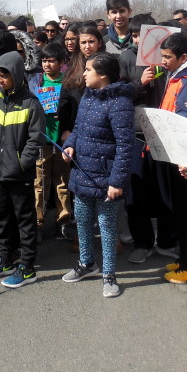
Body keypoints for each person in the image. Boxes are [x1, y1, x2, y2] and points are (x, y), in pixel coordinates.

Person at [139, 33, 187, 284]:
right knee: (181, 211)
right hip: (176, 153)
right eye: (163, 56)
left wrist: (183, 157)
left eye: (168, 57)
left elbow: (186, 122)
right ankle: (186, 259)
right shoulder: (178, 76)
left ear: (183, 57)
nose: (164, 61)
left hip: (185, 158)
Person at [61, 53, 135, 297]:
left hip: (105, 179)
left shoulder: (120, 102)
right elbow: (79, 128)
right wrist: (70, 144)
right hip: (82, 172)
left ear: (103, 75)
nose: (84, 73)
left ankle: (109, 275)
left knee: (106, 226)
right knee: (82, 220)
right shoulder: (88, 96)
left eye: (89, 69)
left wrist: (116, 181)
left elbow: (126, 146)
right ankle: (86, 263)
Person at [0, 51, 46, 288]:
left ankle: (27, 266)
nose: (0, 79)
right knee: (2, 218)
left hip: (19, 174)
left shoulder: (31, 103)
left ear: (17, 76)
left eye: (5, 75)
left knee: (24, 220)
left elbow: (36, 138)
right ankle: (5, 258)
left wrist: (21, 163)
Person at [29, 43, 74, 241]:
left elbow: (74, 110)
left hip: (61, 141)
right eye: (44, 60)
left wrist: (68, 130)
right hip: (42, 139)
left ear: (61, 63)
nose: (47, 64)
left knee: (62, 182)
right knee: (40, 183)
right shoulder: (36, 82)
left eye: (51, 60)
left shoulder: (69, 83)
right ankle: (38, 222)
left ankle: (63, 220)